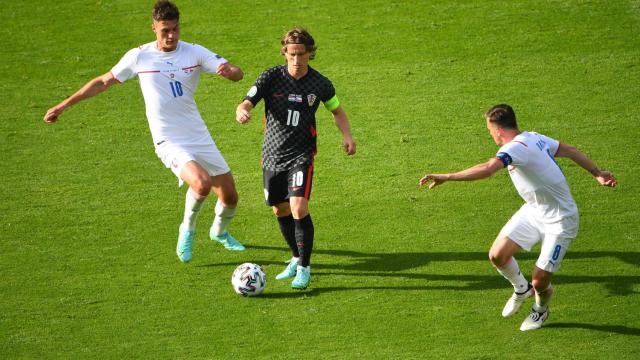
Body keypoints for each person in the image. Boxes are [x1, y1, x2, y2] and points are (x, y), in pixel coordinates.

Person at [43, 0, 246, 263]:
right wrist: (63, 105)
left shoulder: (193, 52)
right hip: (168, 140)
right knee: (201, 183)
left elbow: (237, 73)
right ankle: (187, 229)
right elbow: (103, 82)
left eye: (175, 29)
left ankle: (219, 233)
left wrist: (231, 72)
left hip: (198, 135)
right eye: (165, 31)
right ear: (153, 28)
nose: (171, 36)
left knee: (230, 196)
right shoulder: (140, 56)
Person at [419, 104, 617, 331]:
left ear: (498, 130)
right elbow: (570, 150)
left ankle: (540, 310)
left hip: (561, 220)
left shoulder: (516, 148)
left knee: (540, 281)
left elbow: (487, 169)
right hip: (534, 210)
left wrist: (448, 176)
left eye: (489, 130)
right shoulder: (533, 137)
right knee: (497, 255)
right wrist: (597, 173)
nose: (490, 134)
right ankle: (521, 289)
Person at [235, 28, 356, 289]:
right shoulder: (271, 77)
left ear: (310, 53)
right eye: (292, 54)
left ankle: (304, 267)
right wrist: (243, 111)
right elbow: (247, 101)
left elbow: (337, 110)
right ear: (285, 52)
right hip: (272, 154)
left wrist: (347, 135)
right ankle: (294, 257)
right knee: (280, 209)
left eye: (302, 54)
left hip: (301, 153)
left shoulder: (320, 84)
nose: (297, 60)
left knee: (299, 207)